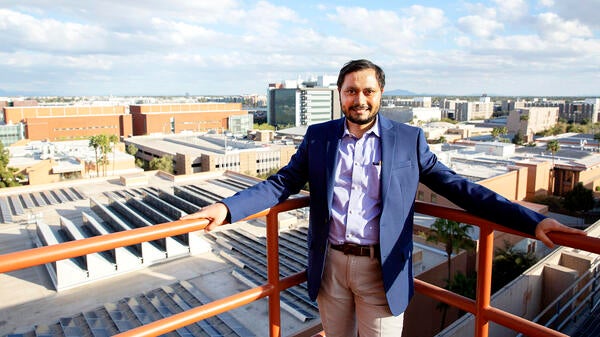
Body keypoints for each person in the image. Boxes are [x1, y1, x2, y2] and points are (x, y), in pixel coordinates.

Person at [181, 59, 586, 337]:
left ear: (381, 93)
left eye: (368, 91)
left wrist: (530, 222)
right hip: (330, 267)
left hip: (382, 270)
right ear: (340, 94)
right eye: (351, 90)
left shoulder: (408, 140)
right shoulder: (319, 137)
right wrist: (227, 208)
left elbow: (460, 188)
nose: (360, 99)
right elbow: (281, 182)